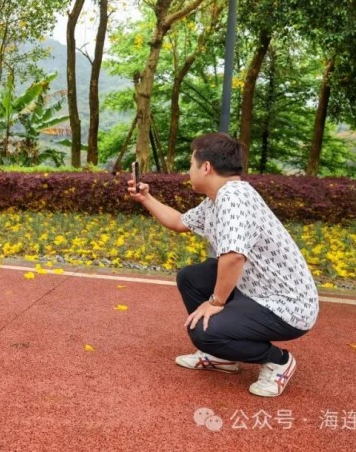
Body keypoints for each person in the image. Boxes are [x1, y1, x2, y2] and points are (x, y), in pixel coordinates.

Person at [127, 132, 319, 397]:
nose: (188, 171)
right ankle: (222, 357)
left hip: (287, 305)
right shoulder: (219, 198)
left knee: (204, 331)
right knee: (192, 277)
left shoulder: (233, 198)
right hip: (256, 291)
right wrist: (146, 198)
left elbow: (234, 257)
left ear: (206, 167)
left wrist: (215, 303)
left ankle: (278, 361)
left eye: (191, 164)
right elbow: (179, 223)